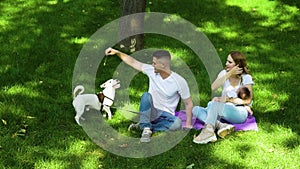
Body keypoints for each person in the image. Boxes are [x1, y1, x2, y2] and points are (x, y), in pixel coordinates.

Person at [105, 47, 193, 142]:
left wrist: (188, 124)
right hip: (151, 110)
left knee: (177, 124)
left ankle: (143, 125)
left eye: (154, 63)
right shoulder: (151, 70)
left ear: (163, 65)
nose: (152, 65)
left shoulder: (179, 82)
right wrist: (117, 52)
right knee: (146, 96)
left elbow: (188, 103)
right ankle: (146, 129)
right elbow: (133, 62)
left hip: (166, 115)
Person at [192, 51, 254, 144]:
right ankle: (221, 125)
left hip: (239, 112)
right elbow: (213, 87)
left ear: (237, 65)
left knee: (213, 105)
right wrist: (229, 74)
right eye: (226, 61)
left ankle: (208, 133)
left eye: (230, 62)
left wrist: (227, 99)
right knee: (196, 109)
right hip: (223, 111)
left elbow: (248, 100)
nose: (226, 64)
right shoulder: (224, 73)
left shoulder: (246, 78)